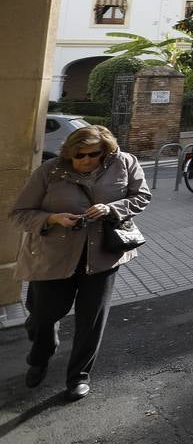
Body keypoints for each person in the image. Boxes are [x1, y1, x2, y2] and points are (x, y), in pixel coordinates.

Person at [10, 124, 150, 400]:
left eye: (91, 154)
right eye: (78, 155)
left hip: (102, 257)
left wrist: (113, 209)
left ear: (106, 151)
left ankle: (79, 376)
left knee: (91, 320)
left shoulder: (125, 163)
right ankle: (40, 355)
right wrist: (52, 218)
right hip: (53, 256)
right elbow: (19, 213)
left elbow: (142, 196)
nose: (84, 160)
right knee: (43, 316)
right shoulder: (50, 170)